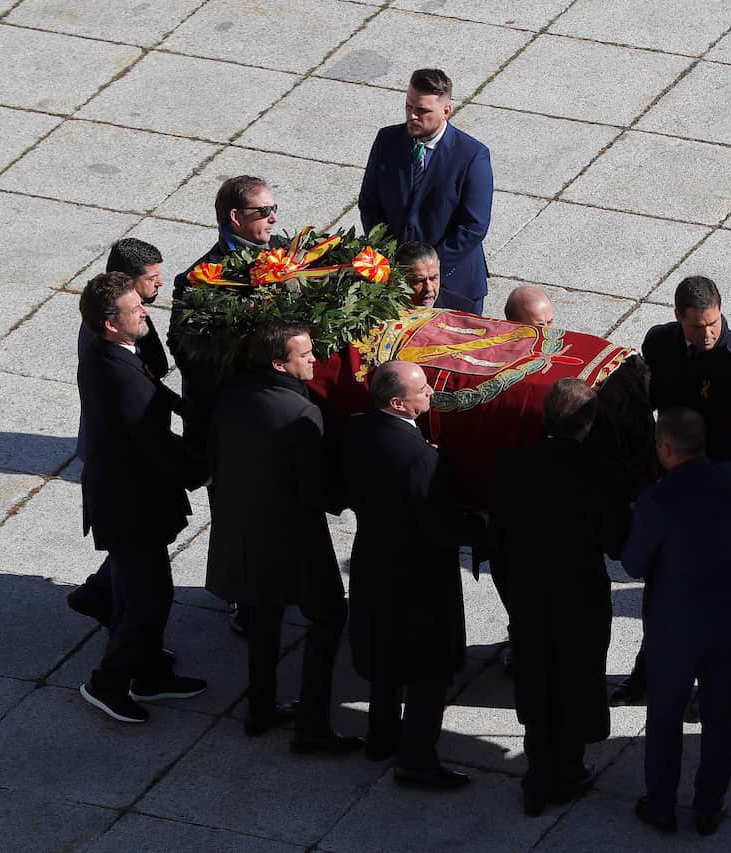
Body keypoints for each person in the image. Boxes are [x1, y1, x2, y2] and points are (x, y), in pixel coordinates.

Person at [205, 322, 357, 755]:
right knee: (328, 617)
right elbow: (315, 491)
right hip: (294, 534)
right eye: (305, 354)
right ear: (279, 363)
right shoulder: (300, 412)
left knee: (263, 615)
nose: (314, 360)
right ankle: (311, 725)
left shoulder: (233, 394)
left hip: (244, 527)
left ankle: (260, 708)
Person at [612, 276, 731, 707]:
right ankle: (647, 673)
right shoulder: (660, 343)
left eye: (713, 323)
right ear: (679, 319)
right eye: (697, 326)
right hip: (674, 482)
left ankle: (703, 688)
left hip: (721, 487)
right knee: (661, 587)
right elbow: (649, 398)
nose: (708, 333)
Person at [487, 378, 630, 816]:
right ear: (587, 422)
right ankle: (567, 771)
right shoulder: (599, 470)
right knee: (575, 677)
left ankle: (538, 773)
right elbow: (616, 542)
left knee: (536, 678)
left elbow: (498, 541)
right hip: (579, 595)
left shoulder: (512, 464)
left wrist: (513, 594)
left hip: (530, 594)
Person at [76, 272, 206, 723]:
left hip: (129, 498)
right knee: (147, 599)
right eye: (136, 310)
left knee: (145, 592)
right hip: (131, 506)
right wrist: (204, 465)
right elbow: (155, 445)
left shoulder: (110, 352)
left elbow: (154, 386)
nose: (146, 311)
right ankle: (107, 682)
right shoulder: (119, 375)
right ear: (112, 324)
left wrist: (192, 409)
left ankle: (149, 673)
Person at [621, 408, 731, 836]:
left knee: (664, 716)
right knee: (722, 717)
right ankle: (708, 806)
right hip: (728, 619)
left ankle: (661, 805)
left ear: (665, 448)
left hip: (675, 626)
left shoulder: (657, 499)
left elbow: (634, 564)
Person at [340, 361, 469, 789]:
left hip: (375, 562)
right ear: (399, 402)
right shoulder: (420, 459)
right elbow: (440, 525)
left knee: (386, 658)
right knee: (428, 670)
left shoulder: (357, 431)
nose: (431, 392)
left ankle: (380, 738)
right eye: (422, 389)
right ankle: (416, 760)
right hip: (419, 578)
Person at [69, 238, 179, 628]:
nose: (159, 285)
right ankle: (113, 620)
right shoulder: (114, 338)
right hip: (119, 459)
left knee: (133, 555)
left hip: (117, 447)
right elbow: (146, 381)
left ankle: (99, 595)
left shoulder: (116, 319)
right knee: (140, 569)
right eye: (151, 279)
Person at [359, 68, 493, 315]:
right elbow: (369, 203)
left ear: (445, 110)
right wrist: (393, 259)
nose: (412, 116)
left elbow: (473, 226)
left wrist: (426, 268)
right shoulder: (387, 140)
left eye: (422, 111)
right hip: (396, 282)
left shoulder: (471, 156)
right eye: (409, 106)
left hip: (454, 285)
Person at [168, 175, 279, 457]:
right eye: (264, 211)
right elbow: (182, 347)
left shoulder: (283, 251)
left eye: (274, 208)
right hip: (231, 411)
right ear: (235, 216)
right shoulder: (201, 279)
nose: (273, 218)